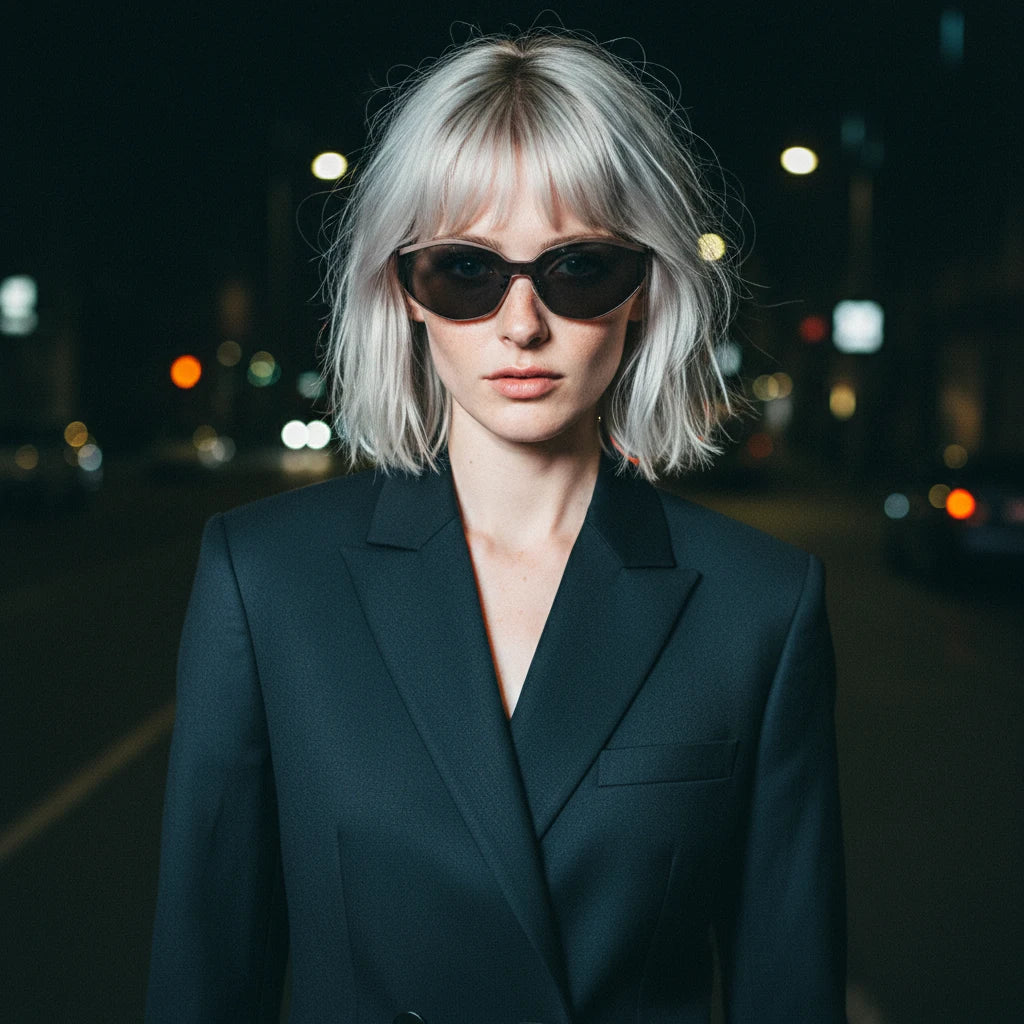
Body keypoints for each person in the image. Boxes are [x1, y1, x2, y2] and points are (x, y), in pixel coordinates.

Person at [146, 29, 846, 1024]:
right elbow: (205, 981)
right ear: (404, 289)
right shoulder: (265, 580)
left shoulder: (760, 606)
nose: (522, 324)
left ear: (644, 291)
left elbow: (790, 990)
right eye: (467, 270)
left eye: (579, 267)